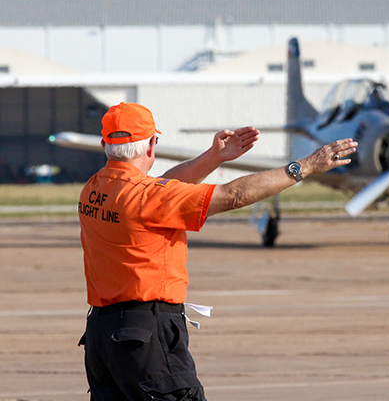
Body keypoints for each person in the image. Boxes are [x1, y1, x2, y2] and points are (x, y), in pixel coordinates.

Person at [78, 102, 357, 400]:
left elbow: (163, 187)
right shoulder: (149, 197)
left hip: (101, 335)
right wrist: (306, 166)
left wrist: (214, 157)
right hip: (145, 333)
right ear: (150, 146)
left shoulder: (94, 188)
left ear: (105, 145)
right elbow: (234, 195)